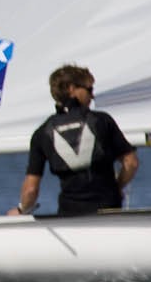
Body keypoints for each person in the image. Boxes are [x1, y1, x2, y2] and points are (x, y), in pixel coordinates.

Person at [11, 64, 137, 216]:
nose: (92, 96)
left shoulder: (42, 133)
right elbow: (131, 163)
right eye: (89, 89)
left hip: (69, 217)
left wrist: (21, 210)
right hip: (108, 211)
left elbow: (31, 190)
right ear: (71, 89)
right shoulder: (102, 121)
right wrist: (117, 188)